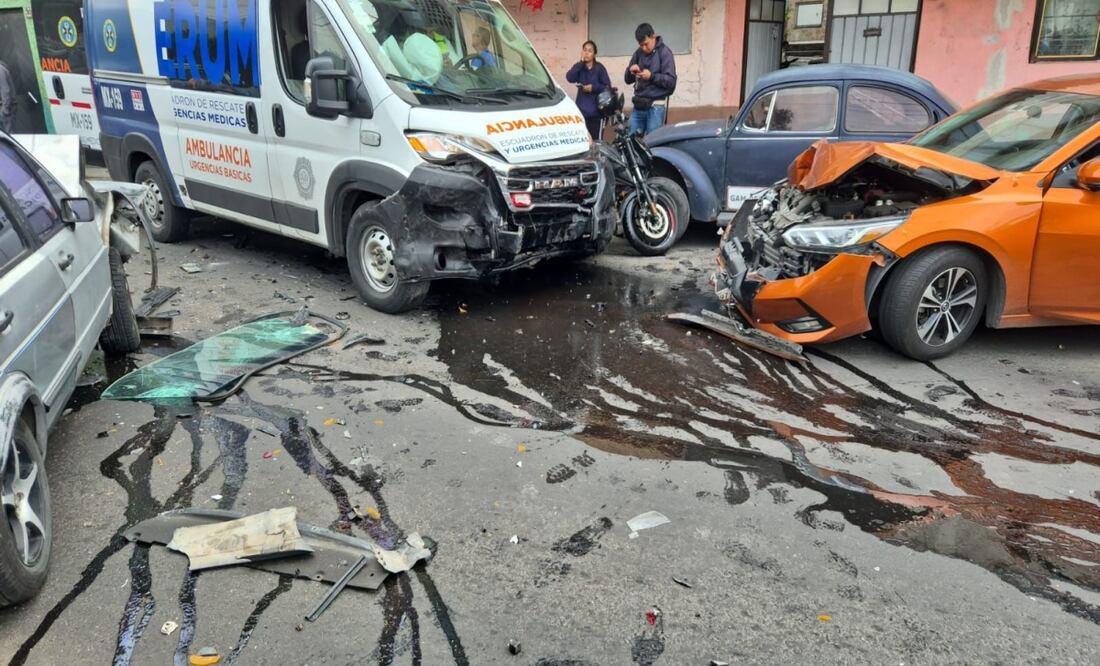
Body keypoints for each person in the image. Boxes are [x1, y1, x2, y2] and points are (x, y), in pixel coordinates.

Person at [624, 23, 676, 136]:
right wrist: (630, 71)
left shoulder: (665, 52)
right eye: (641, 45)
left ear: (653, 36)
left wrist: (651, 76)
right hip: (638, 105)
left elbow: (671, 82)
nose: (643, 48)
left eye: (646, 44)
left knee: (653, 144)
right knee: (630, 141)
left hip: (656, 107)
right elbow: (627, 80)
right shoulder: (638, 53)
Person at [565, 40, 611, 140]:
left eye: (590, 51)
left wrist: (593, 88)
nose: (586, 53)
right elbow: (569, 77)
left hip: (597, 114)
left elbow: (607, 87)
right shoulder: (579, 67)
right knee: (584, 142)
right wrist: (581, 63)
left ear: (594, 54)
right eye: (584, 50)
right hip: (582, 114)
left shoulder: (599, 68)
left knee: (597, 143)